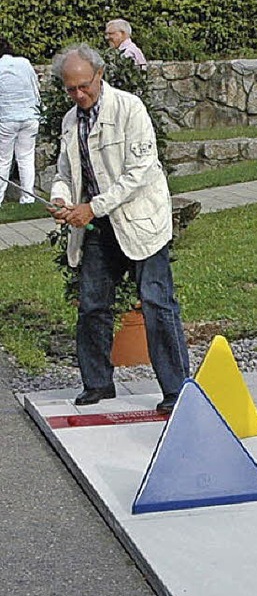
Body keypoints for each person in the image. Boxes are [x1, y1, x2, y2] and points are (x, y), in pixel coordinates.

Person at [49, 43, 189, 412]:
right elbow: (64, 173)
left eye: (84, 86)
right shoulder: (69, 122)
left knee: (158, 304)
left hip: (142, 222)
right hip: (99, 227)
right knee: (93, 306)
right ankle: (97, 384)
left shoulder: (130, 109)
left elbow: (139, 173)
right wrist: (62, 199)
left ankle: (177, 391)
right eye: (71, 89)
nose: (79, 94)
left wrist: (92, 208)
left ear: (100, 75)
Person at [0, 38, 40, 205]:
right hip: (30, 116)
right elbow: (35, 85)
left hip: (7, 118)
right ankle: (27, 197)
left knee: (3, 159)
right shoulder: (24, 63)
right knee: (26, 158)